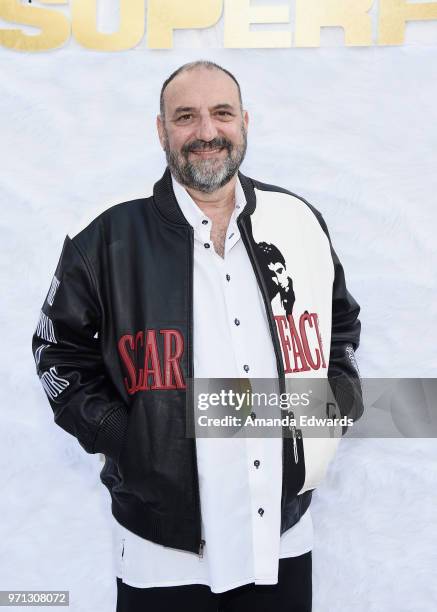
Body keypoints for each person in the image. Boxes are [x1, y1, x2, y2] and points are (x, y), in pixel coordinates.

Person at [32, 60, 363, 611]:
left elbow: (340, 325)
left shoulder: (298, 223)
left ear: (245, 123)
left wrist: (334, 406)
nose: (206, 132)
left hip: (282, 540)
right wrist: (125, 435)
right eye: (186, 116)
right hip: (161, 550)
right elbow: (55, 352)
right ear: (161, 130)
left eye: (221, 113)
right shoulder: (107, 241)